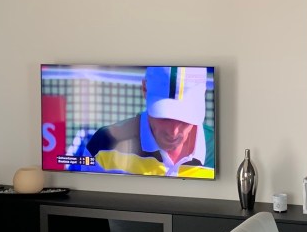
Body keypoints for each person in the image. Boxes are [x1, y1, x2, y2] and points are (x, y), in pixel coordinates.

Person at [86, 66, 215, 179]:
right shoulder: (102, 145)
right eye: (164, 117)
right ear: (144, 89)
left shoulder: (220, 150)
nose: (173, 132)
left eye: (184, 119)